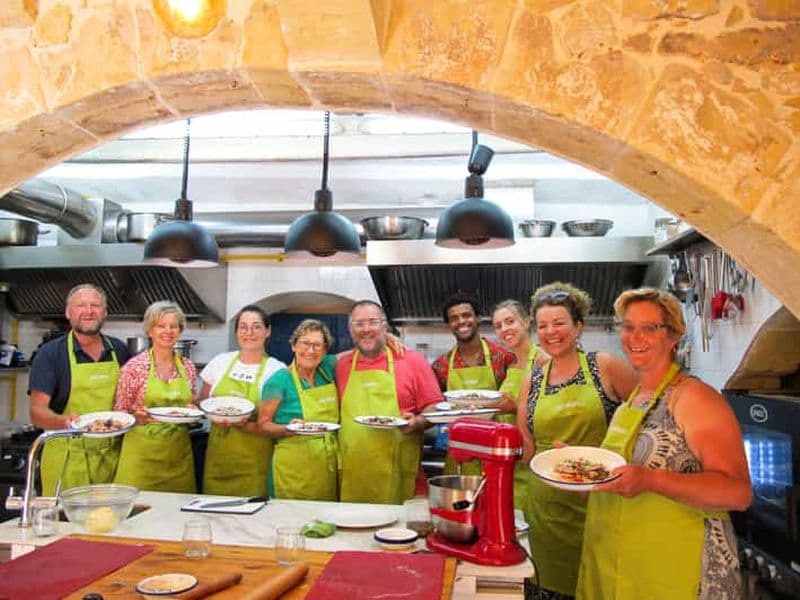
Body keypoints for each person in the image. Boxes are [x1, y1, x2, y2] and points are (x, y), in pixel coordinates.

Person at [577, 288, 751, 599]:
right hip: (625, 567)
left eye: (649, 328)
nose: (635, 337)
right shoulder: (632, 401)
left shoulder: (693, 397)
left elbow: (737, 492)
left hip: (677, 570)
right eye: (628, 327)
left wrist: (650, 480)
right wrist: (581, 469)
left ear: (672, 337)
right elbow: (621, 475)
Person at [518, 282, 637, 600]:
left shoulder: (604, 366)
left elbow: (646, 418)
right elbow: (526, 446)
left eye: (559, 323)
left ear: (578, 327)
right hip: (545, 511)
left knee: (598, 585)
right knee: (547, 586)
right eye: (542, 325)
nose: (550, 332)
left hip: (600, 503)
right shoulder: (533, 380)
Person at [28, 284, 131, 495]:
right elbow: (37, 413)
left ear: (105, 312)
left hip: (111, 458)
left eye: (95, 305)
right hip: (66, 458)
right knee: (66, 526)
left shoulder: (119, 350)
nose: (89, 311)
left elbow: (129, 401)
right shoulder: (50, 355)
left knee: (109, 523)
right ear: (68, 312)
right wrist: (64, 422)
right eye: (80, 305)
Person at [337, 300, 442, 504]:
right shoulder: (340, 365)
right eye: (359, 324)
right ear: (351, 330)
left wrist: (418, 422)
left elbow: (435, 407)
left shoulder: (413, 361)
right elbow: (305, 361)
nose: (366, 329)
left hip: (400, 474)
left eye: (373, 322)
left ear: (384, 326)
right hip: (354, 477)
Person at [197, 305, 285, 496]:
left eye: (256, 327)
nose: (249, 333)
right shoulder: (220, 362)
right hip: (218, 461)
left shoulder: (277, 370)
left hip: (255, 464)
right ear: (236, 332)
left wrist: (245, 425)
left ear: (267, 331)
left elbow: (277, 421)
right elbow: (201, 404)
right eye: (243, 327)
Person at [114, 301, 197, 493]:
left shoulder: (188, 367)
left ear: (179, 331)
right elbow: (120, 414)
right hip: (142, 460)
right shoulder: (134, 368)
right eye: (161, 326)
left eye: (173, 326)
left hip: (178, 458)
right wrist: (137, 418)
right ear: (150, 330)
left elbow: (189, 405)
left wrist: (192, 411)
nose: (167, 331)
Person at [432, 292, 516, 474]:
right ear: (449, 325)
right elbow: (434, 406)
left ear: (478, 319)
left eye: (466, 315)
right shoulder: (441, 365)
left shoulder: (503, 358)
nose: (461, 321)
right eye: (454, 318)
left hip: (495, 450)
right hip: (458, 450)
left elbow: (517, 404)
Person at [259, 320, 339, 501]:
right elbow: (263, 425)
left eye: (317, 345)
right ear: (294, 345)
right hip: (292, 468)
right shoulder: (279, 380)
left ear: (325, 351)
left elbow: (359, 351)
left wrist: (387, 336)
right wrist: (286, 428)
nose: (311, 351)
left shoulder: (326, 370)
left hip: (326, 467)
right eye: (305, 343)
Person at [491, 299, 549, 509]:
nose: (504, 329)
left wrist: (514, 407)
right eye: (498, 326)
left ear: (526, 322)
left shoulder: (543, 360)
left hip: (533, 457)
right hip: (511, 459)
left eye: (509, 321)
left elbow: (550, 410)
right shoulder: (513, 365)